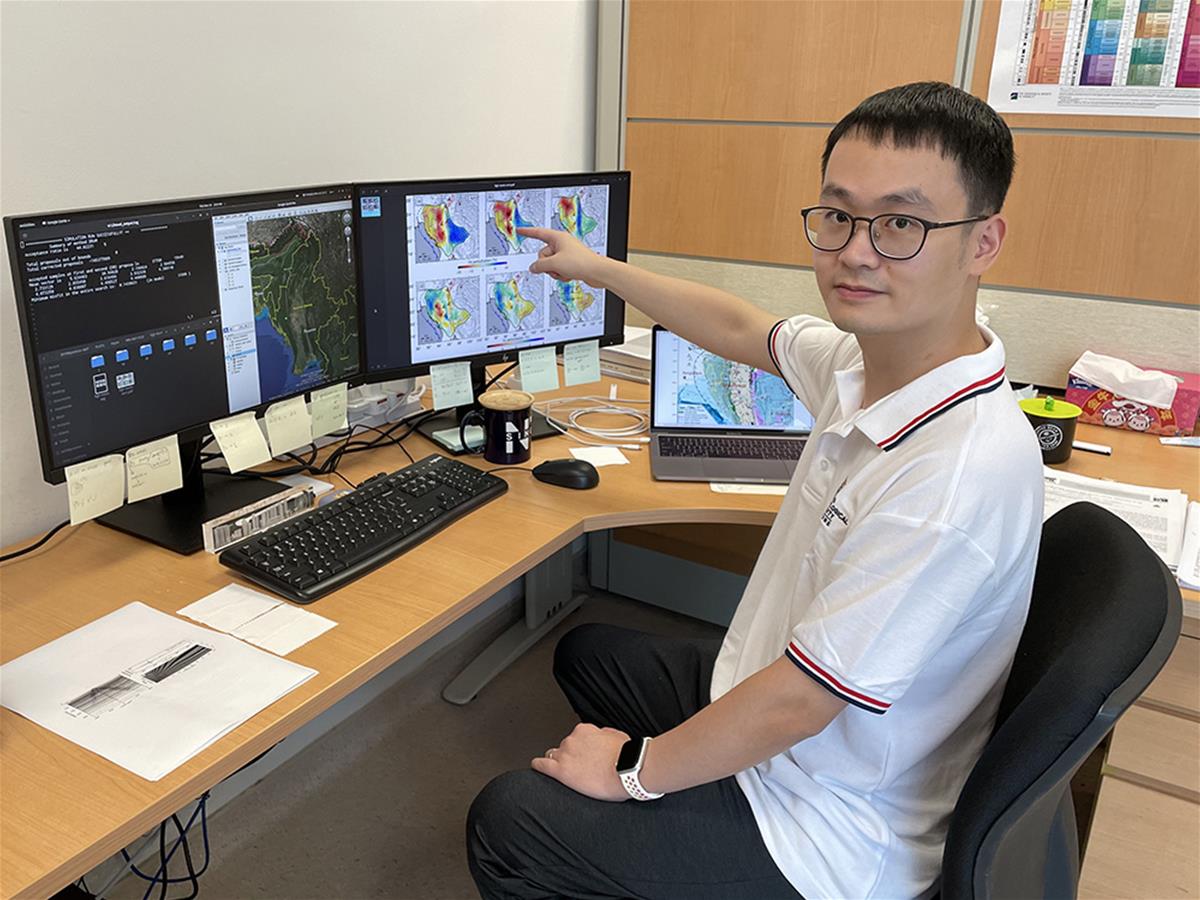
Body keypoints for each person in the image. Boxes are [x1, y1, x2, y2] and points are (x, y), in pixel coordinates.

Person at [466, 81, 1044, 900]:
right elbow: (741, 328)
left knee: (511, 818)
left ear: (984, 241)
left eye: (902, 224)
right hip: (800, 724)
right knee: (589, 654)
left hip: (832, 827)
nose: (856, 251)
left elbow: (800, 705)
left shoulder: (952, 476)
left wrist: (635, 772)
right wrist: (594, 268)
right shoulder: (865, 362)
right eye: (839, 214)